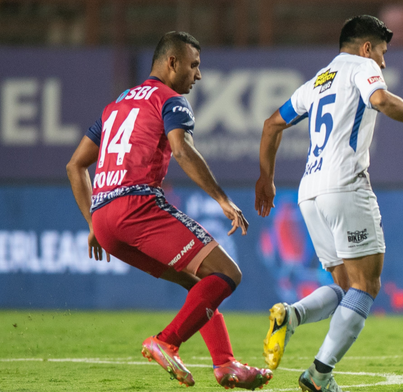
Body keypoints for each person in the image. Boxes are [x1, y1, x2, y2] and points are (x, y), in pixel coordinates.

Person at [66, 31, 272, 390]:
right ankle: (166, 341)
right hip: (138, 207)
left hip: (106, 219)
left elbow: (75, 165)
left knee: (201, 285)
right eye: (194, 65)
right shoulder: (170, 100)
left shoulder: (116, 106)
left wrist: (93, 222)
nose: (198, 75)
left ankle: (225, 364)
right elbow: (181, 150)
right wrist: (222, 198)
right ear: (171, 62)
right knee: (228, 274)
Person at [255, 15, 403, 392]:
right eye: (382, 53)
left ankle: (291, 316)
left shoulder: (318, 80)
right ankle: (319, 374)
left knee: (344, 285)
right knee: (367, 285)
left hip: (309, 192)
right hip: (344, 185)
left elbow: (271, 125)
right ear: (366, 48)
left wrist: (266, 178)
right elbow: (381, 100)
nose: (383, 63)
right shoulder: (362, 67)